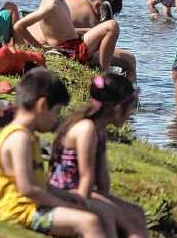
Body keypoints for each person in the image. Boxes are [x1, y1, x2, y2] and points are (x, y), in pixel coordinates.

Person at [0, 68, 112, 237]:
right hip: (18, 210)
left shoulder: (30, 137)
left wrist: (67, 196)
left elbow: (41, 184)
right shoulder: (19, 139)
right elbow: (28, 189)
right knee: (89, 222)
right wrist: (64, 205)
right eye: (57, 112)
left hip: (27, 206)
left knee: (97, 210)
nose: (56, 119)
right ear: (42, 105)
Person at [49, 73, 148, 238]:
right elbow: (86, 178)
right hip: (66, 193)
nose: (132, 112)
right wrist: (97, 208)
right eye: (132, 105)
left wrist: (109, 203)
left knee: (137, 213)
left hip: (80, 191)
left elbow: (103, 182)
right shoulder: (86, 129)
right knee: (128, 224)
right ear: (117, 108)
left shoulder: (99, 129)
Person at [14, 0, 123, 76]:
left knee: (104, 30)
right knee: (112, 25)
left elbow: (65, 30)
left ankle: (104, 69)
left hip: (74, 44)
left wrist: (91, 30)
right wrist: (41, 48)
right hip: (70, 52)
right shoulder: (51, 5)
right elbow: (19, 26)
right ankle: (104, 72)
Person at [60, 0, 137, 82]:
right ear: (98, 6)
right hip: (65, 49)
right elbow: (102, 54)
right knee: (130, 60)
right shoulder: (91, 17)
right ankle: (128, 95)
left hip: (47, 41)